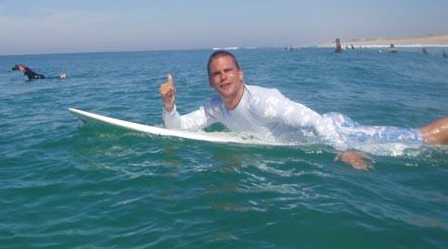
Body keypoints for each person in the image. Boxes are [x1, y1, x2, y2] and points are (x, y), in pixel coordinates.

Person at [159, 50, 448, 170]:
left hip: (333, 130)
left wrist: (343, 149)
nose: (223, 77)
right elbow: (178, 128)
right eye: (216, 74)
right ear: (210, 82)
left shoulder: (263, 101)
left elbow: (314, 121)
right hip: (321, 134)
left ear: (240, 74)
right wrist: (170, 106)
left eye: (228, 70)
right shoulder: (215, 109)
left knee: (423, 138)